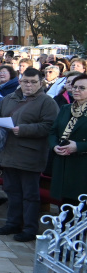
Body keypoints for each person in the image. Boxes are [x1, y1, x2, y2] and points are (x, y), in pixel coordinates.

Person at [0, 67, 59, 241]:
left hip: (30, 155)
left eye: (33, 82)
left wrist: (23, 129)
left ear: (40, 83)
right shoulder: (10, 98)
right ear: (20, 81)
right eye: (25, 81)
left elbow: (50, 126)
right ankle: (12, 223)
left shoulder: (47, 102)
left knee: (30, 195)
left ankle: (29, 228)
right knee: (12, 191)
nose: (28, 85)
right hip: (8, 152)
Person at [49, 73, 87, 206]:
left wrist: (78, 146)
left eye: (82, 88)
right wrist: (54, 146)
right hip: (63, 162)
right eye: (75, 87)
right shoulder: (66, 108)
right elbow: (53, 132)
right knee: (65, 207)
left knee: (80, 208)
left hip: (82, 165)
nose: (76, 90)